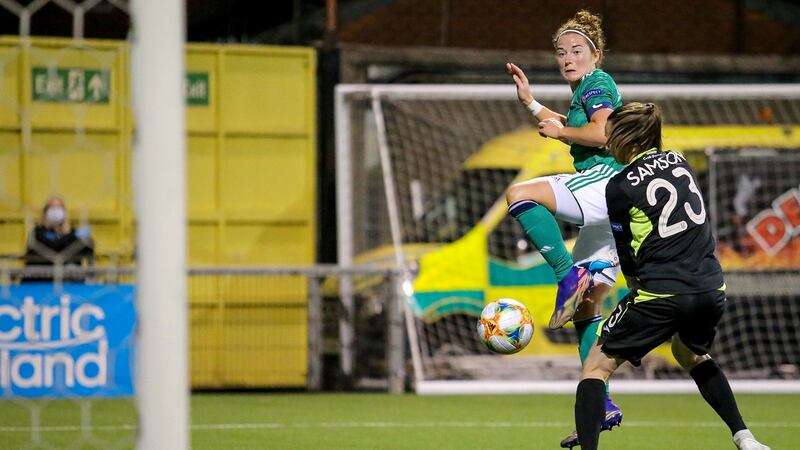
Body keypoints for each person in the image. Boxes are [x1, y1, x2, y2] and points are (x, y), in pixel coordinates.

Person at [573, 102, 770, 450]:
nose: (606, 143)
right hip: (711, 287)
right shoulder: (680, 161)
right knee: (690, 353)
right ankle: (745, 438)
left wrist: (635, 287)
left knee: (596, 367)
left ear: (627, 138)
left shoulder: (618, 186)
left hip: (662, 292)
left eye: (610, 135)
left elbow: (626, 250)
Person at [504, 10, 623, 446]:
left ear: (595, 54)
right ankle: (602, 400)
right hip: (612, 208)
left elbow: (603, 134)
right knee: (587, 310)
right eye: (561, 52)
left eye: (576, 51)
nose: (567, 58)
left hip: (606, 182)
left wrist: (558, 134)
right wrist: (532, 104)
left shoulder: (598, 84)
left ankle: (564, 275)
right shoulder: (584, 90)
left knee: (520, 194)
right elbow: (574, 124)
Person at [24, 196, 94, 282]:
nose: (56, 211)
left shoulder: (74, 233)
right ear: (45, 212)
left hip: (68, 281)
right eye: (52, 208)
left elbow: (87, 249)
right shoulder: (37, 233)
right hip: (42, 280)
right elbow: (54, 246)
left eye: (59, 207)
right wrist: (74, 237)